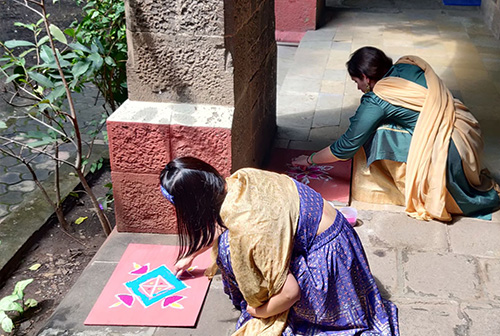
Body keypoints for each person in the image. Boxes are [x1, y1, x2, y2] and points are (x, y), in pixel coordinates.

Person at [160, 156, 399, 336]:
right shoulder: (241, 179)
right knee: (229, 246)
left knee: (229, 251)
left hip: (329, 266)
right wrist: (192, 255)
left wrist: (258, 311)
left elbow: (290, 292)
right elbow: (236, 225)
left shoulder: (249, 229)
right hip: (342, 241)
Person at [292, 46, 500, 221]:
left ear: (365, 77)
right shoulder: (409, 64)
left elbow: (346, 147)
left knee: (378, 133)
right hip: (468, 134)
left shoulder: (378, 98)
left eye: (357, 82)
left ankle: (410, 187)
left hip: (450, 156)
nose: (358, 88)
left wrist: (309, 160)